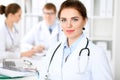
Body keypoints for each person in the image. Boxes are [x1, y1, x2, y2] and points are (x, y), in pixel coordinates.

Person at [42, 0, 113, 80]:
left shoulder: (97, 54)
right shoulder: (53, 50)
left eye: (75, 19)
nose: (68, 25)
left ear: (84, 21)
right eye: (64, 20)